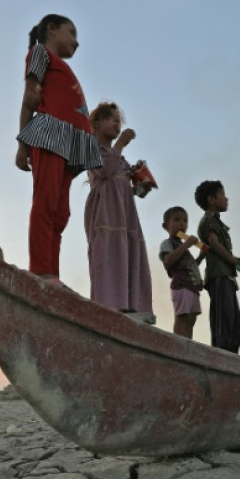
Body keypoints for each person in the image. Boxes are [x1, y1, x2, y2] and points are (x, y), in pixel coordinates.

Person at [16, 14, 102, 283]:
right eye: (72, 33)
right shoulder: (40, 53)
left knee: (60, 212)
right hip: (51, 135)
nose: (76, 42)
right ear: (51, 30)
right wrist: (22, 144)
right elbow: (30, 98)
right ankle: (40, 269)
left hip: (71, 143)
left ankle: (52, 273)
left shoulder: (63, 69)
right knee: (45, 202)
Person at [84, 102, 154, 323]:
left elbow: (130, 187)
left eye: (118, 119)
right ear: (95, 124)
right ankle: (109, 305)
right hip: (106, 215)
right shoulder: (93, 149)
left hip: (125, 216)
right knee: (109, 255)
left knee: (128, 253)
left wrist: (140, 183)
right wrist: (122, 143)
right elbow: (104, 169)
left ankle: (132, 306)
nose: (116, 122)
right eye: (110, 118)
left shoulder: (120, 159)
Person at [195, 180, 240, 353]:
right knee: (223, 323)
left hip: (226, 275)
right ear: (212, 199)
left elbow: (207, 249)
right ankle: (221, 357)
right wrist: (234, 261)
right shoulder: (209, 220)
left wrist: (235, 259)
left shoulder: (216, 222)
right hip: (219, 276)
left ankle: (231, 357)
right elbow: (213, 244)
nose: (227, 199)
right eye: (223, 195)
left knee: (235, 323)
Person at [159, 206, 204, 338]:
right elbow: (169, 260)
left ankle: (188, 345)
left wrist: (202, 256)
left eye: (185, 221)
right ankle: (179, 343)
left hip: (193, 286)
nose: (181, 223)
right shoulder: (168, 243)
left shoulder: (184, 248)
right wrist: (186, 245)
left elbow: (191, 266)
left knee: (191, 320)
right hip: (181, 285)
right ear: (166, 226)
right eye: (177, 220)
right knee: (182, 316)